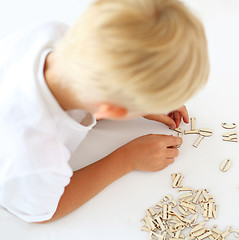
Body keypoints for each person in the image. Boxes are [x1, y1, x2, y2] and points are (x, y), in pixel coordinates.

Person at [0, 0, 209, 223]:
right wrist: (127, 159)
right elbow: (42, 213)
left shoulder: (52, 33)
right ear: (113, 110)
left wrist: (133, 102)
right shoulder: (36, 154)